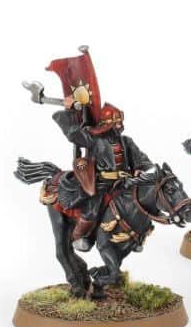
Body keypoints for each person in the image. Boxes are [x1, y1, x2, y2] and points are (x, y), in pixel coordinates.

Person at [52, 96, 153, 251]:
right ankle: (80, 237)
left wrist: (140, 168)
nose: (120, 125)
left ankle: (135, 237)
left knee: (141, 204)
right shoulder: (94, 139)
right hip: (102, 183)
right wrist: (70, 110)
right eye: (117, 122)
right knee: (92, 210)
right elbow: (73, 133)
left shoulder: (126, 141)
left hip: (125, 183)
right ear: (108, 124)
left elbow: (139, 158)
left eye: (120, 122)